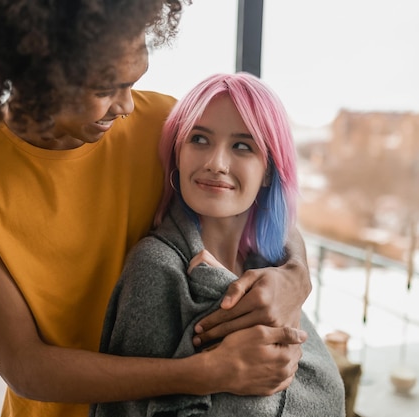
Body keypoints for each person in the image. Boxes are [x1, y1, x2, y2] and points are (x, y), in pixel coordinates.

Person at [0, 2, 313, 416]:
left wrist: (296, 276)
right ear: (33, 72)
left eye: (133, 82)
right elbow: (23, 364)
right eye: (104, 89)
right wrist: (206, 373)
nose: (126, 106)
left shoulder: (162, 122)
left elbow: (256, 200)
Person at [90, 72, 345, 417]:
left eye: (242, 146)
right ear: (177, 153)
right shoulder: (157, 269)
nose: (216, 163)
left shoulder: (271, 269)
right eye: (199, 139)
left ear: (268, 170)